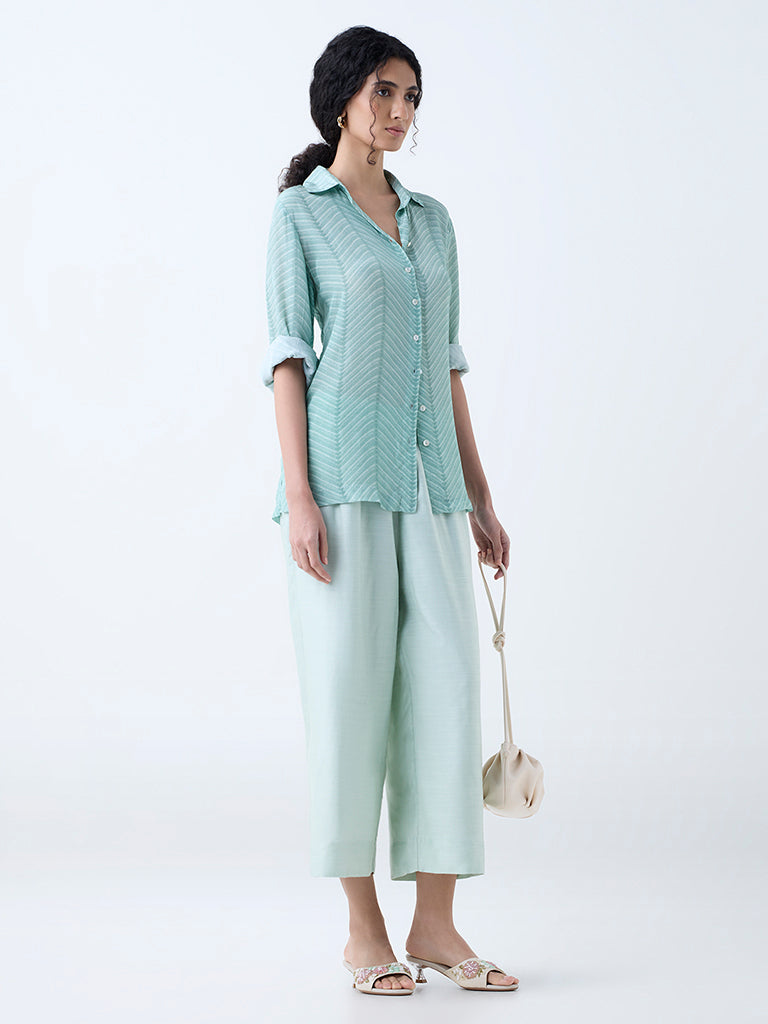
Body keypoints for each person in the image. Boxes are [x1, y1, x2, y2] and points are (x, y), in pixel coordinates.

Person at [261, 25, 518, 995]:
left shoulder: (433, 221)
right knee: (349, 698)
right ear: (342, 96)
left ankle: (437, 926)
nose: (401, 111)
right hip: (339, 484)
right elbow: (288, 357)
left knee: (446, 694)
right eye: (384, 91)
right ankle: (363, 929)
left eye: (412, 95)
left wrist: (481, 496)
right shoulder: (300, 214)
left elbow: (447, 366)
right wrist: (298, 497)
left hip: (432, 487)